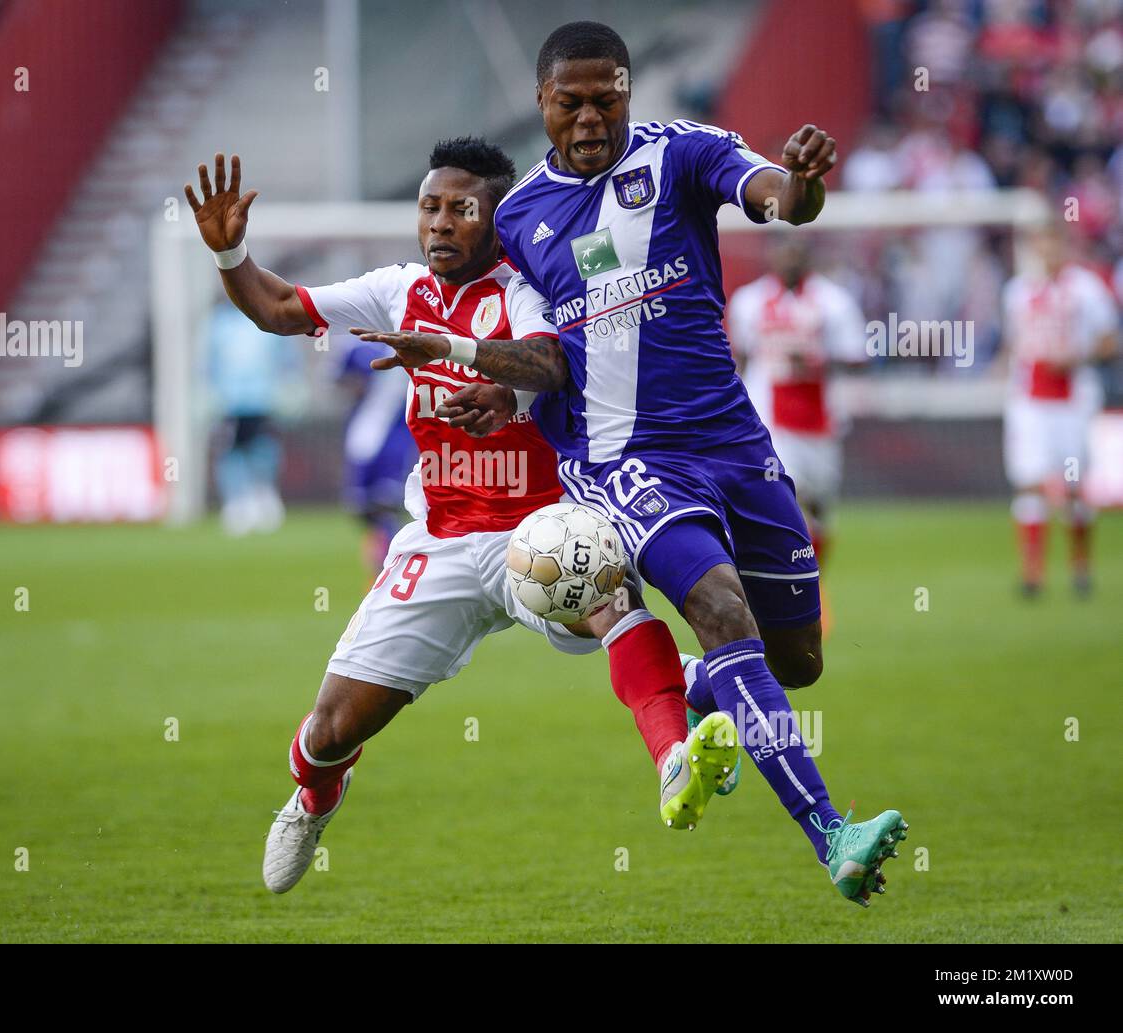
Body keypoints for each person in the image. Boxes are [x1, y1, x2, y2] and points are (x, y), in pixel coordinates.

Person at [352, 22, 907, 906]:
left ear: (628, 93)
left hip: (735, 445)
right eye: (569, 102)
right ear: (541, 104)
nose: (588, 118)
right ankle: (834, 834)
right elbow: (530, 335)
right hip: (623, 462)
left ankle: (700, 700)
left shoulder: (684, 153)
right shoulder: (519, 217)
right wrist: (500, 383)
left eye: (606, 97)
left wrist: (799, 187)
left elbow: (773, 194)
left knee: (796, 659)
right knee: (721, 610)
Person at [184, 138, 740, 896]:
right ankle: (315, 796)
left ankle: (675, 756)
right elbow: (281, 308)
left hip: (537, 526)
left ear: (495, 220)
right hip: (439, 540)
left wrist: (477, 369)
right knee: (329, 732)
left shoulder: (525, 289)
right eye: (430, 208)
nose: (440, 224)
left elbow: (546, 363)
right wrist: (231, 254)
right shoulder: (398, 288)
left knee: (608, 599)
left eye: (460, 209)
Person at [728, 236, 867, 570]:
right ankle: (792, 582)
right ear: (771, 256)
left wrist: (816, 361)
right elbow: (741, 358)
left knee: (819, 506)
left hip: (819, 416)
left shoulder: (833, 301)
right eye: (783, 253)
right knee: (791, 498)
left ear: (808, 256)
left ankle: (815, 580)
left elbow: (857, 356)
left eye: (796, 254)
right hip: (769, 416)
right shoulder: (749, 301)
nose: (789, 260)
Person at [1001, 222, 1118, 597]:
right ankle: (1032, 573)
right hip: (1030, 402)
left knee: (1072, 486)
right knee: (1029, 481)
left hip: (1073, 401)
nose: (1048, 252)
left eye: (1054, 244)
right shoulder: (1018, 291)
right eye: (1042, 245)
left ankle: (1080, 566)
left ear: (1064, 246)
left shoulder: (1086, 288)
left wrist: (1076, 356)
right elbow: (1015, 344)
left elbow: (1110, 341)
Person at [206, 298, 297, 534]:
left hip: (262, 398)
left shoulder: (265, 320)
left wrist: (290, 386)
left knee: (264, 449)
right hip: (230, 401)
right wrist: (207, 395)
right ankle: (238, 502)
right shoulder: (219, 323)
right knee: (231, 451)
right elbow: (208, 362)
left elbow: (287, 358)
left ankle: (264, 495)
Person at [336, 338, 417, 574]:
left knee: (386, 504)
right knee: (361, 507)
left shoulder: (415, 339)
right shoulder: (356, 345)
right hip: (363, 436)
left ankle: (392, 565)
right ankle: (388, 561)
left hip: (396, 438)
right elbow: (339, 379)